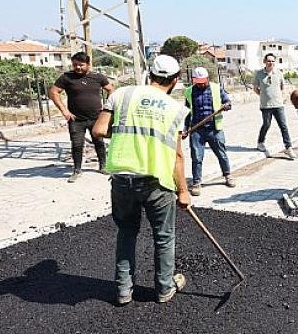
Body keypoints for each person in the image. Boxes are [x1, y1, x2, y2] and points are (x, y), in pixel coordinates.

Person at [91, 54, 191, 305]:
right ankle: (164, 289)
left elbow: (99, 130)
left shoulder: (121, 94)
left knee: (126, 232)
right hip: (156, 180)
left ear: (150, 75)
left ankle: (124, 291)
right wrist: (183, 191)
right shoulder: (176, 109)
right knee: (164, 237)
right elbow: (177, 155)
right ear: (176, 80)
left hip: (123, 178)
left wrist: (129, 133)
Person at [49, 51, 113, 182]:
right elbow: (54, 92)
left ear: (88, 64)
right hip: (76, 119)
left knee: (99, 142)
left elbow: (111, 90)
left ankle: (103, 166)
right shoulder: (67, 77)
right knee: (77, 145)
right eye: (75, 65)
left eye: (81, 65)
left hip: (96, 117)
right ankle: (77, 170)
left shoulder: (98, 77)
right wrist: (64, 111)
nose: (77, 67)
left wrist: (107, 108)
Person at [181, 67, 234, 196]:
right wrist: (185, 128)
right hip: (197, 130)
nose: (201, 84)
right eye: (198, 82)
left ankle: (227, 176)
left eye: (203, 81)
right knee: (197, 157)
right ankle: (196, 182)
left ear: (207, 79)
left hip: (214, 129)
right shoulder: (188, 92)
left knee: (221, 154)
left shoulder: (216, 88)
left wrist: (226, 106)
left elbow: (228, 102)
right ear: (194, 80)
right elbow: (187, 112)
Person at [253, 53, 295, 159]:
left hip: (278, 105)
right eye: (268, 61)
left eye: (272, 61)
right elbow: (255, 88)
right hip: (265, 106)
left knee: (283, 126)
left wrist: (275, 96)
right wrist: (263, 96)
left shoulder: (279, 73)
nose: (270, 63)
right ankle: (260, 142)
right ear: (264, 61)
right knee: (266, 124)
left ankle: (288, 147)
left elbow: (281, 87)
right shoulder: (258, 74)